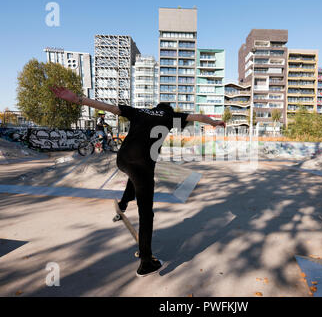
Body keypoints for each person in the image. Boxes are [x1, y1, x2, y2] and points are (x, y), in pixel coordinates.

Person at [49, 85, 225, 275]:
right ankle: (146, 261)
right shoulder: (171, 117)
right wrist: (214, 123)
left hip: (122, 160)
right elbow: (198, 118)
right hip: (143, 165)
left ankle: (124, 202)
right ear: (169, 112)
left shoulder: (141, 111)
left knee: (134, 178)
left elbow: (110, 108)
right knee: (146, 213)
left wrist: (77, 99)